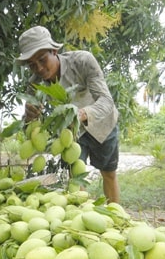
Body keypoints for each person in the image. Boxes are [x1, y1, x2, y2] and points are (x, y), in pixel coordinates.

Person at [16, 25, 121, 203]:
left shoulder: (82, 61)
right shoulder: (35, 84)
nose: (39, 68)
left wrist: (82, 114)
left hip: (102, 124)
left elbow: (106, 101)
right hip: (71, 135)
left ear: (54, 51)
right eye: (32, 65)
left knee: (108, 173)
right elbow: (29, 126)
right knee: (75, 177)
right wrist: (29, 116)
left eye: (42, 59)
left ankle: (117, 216)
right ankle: (80, 217)